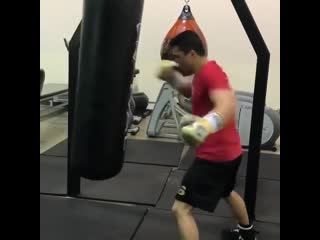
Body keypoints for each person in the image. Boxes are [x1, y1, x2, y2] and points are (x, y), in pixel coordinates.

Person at [156, 30, 258, 240]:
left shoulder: (212, 73)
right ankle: (247, 234)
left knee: (180, 209)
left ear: (192, 54)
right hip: (230, 153)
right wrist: (172, 78)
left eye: (177, 57)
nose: (175, 62)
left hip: (215, 158)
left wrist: (204, 125)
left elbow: (227, 105)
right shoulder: (202, 73)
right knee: (226, 191)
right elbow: (190, 91)